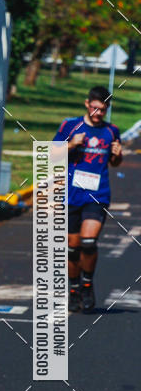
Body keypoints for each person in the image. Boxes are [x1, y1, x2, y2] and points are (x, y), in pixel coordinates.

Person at [53, 85, 122, 314]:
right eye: (94, 108)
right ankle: (73, 289)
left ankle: (87, 284)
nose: (97, 113)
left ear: (107, 109)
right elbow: (51, 155)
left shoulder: (111, 131)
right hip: (71, 195)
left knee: (89, 242)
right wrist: (71, 144)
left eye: (102, 110)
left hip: (97, 194)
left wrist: (118, 155)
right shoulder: (70, 125)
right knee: (72, 248)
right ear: (86, 104)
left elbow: (114, 163)